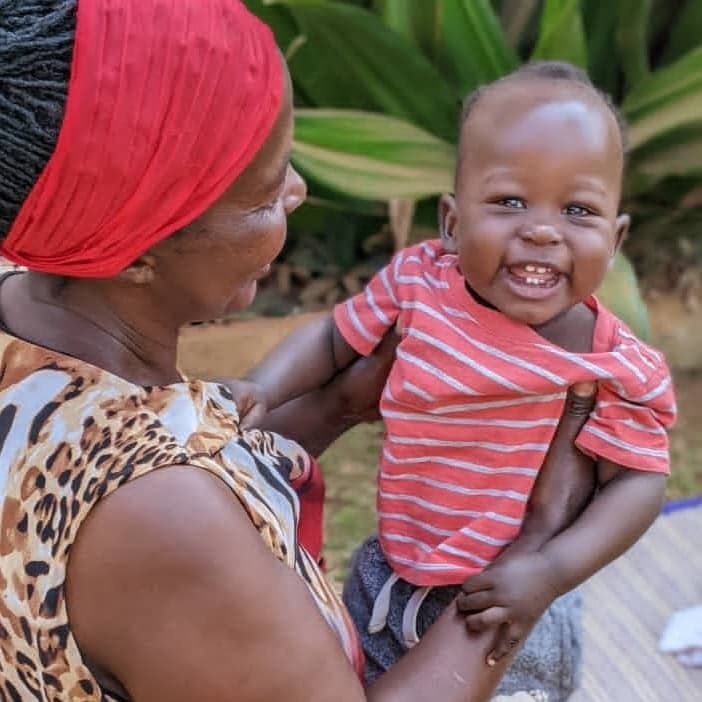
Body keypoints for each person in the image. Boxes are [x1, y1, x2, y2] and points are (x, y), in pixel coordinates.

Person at [0, 3, 600, 702]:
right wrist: (532, 549)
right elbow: (163, 512)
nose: (298, 191)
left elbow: (154, 460)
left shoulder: (29, 311)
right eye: (264, 194)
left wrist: (337, 404)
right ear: (135, 253)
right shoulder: (164, 526)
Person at [247, 61, 677, 696]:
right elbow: (334, 337)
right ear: (450, 223)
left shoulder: (610, 363)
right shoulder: (421, 284)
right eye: (509, 201)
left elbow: (640, 483)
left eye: (577, 209)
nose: (541, 229)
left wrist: (550, 572)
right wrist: (261, 387)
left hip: (511, 600)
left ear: (614, 239)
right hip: (389, 573)